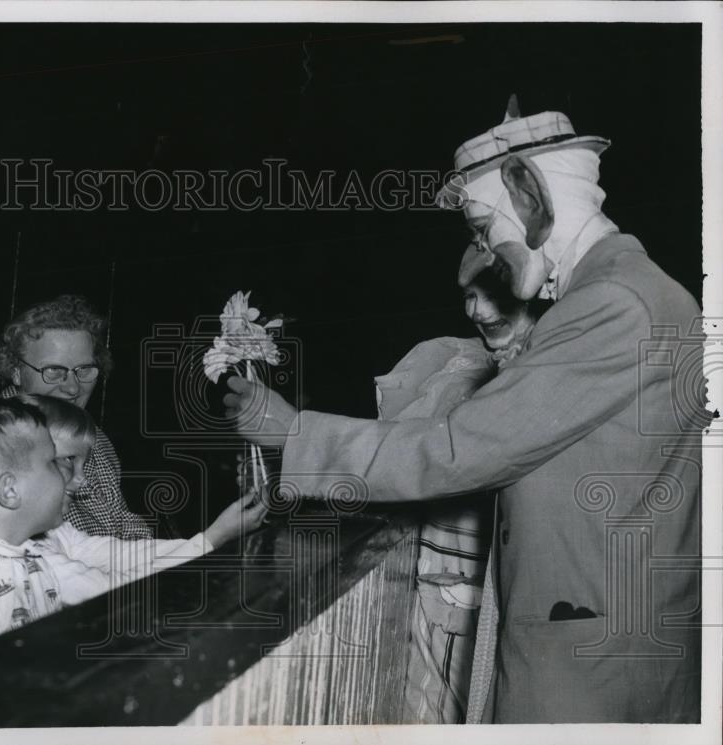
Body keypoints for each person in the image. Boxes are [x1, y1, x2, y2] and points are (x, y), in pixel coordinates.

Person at [224, 100, 705, 723]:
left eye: (482, 227)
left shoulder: (611, 302)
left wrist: (295, 433)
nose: (486, 251)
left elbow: (461, 447)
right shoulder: (636, 290)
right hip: (608, 638)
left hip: (590, 660)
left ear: (530, 198)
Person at [0, 399, 266, 663]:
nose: (80, 482)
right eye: (54, 464)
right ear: (10, 490)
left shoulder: (31, 554)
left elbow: (112, 593)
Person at [390, 251, 547, 724]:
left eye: (490, 294)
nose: (477, 311)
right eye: (468, 298)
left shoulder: (561, 378)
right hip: (443, 603)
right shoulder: (448, 367)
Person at [0, 295, 152, 539]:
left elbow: (121, 519)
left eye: (84, 370)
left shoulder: (95, 435)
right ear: (15, 371)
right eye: (54, 371)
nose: (73, 388)